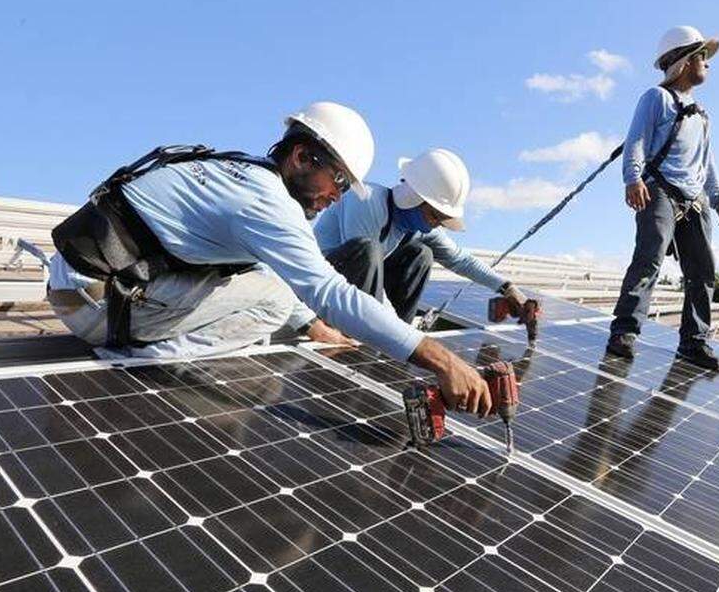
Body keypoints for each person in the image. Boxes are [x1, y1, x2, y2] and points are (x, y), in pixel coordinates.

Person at [46, 102, 493, 414]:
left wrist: (313, 326)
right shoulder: (267, 202)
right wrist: (443, 360)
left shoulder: (243, 174)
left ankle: (141, 342)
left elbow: (257, 269)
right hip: (99, 306)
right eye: (336, 179)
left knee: (277, 291)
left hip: (88, 284)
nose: (337, 196)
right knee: (278, 299)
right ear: (301, 156)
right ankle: (141, 361)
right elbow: (329, 291)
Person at [606, 25, 719, 370]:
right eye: (701, 56)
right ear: (683, 61)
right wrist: (633, 178)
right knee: (649, 259)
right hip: (659, 190)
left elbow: (707, 161)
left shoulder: (703, 115)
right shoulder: (656, 98)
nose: (707, 63)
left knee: (702, 270)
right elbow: (635, 141)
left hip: (695, 200)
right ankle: (624, 332)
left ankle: (694, 342)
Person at [314, 148, 533, 323]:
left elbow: (461, 260)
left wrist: (507, 288)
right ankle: (383, 333)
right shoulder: (366, 201)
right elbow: (366, 275)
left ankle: (390, 343)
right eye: (434, 215)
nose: (435, 225)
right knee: (367, 251)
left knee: (421, 254)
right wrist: (402, 334)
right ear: (413, 198)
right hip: (318, 283)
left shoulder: (417, 228)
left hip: (358, 291)